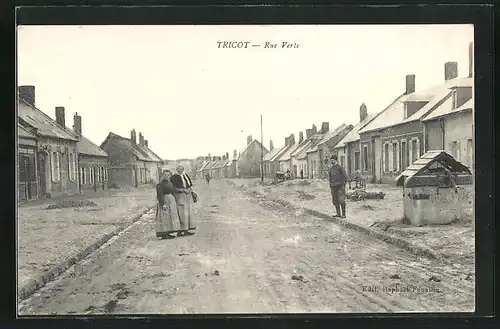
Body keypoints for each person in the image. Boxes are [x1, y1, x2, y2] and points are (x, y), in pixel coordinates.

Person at [170, 165, 197, 236]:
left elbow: (189, 185)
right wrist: (182, 190)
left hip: (188, 196)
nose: (180, 170)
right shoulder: (174, 177)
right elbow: (173, 188)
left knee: (188, 213)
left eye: (182, 169)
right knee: (181, 213)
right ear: (176, 169)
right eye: (179, 169)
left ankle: (186, 230)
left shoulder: (185, 176)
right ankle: (180, 230)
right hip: (180, 196)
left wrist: (190, 190)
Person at [155, 170, 181, 239]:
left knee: (170, 217)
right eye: (165, 175)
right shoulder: (160, 184)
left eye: (168, 175)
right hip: (165, 200)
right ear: (163, 175)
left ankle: (168, 232)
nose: (167, 176)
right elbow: (159, 195)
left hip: (171, 201)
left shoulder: (169, 183)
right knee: (164, 217)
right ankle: (164, 233)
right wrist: (163, 204)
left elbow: (173, 191)